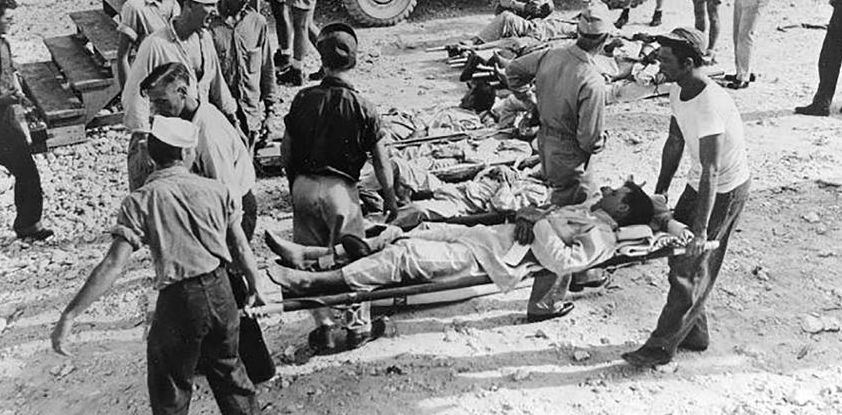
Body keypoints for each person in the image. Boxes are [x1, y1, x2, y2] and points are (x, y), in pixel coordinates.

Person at [50, 116, 262, 415]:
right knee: (230, 372)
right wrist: (254, 287)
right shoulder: (218, 191)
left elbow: (113, 264)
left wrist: (70, 315)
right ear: (188, 154)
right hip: (221, 290)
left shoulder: (140, 201)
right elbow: (240, 246)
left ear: (151, 155)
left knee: (170, 382)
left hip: (180, 298)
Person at [267, 182, 673, 310]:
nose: (607, 190)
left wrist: (541, 220)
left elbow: (564, 263)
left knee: (405, 256)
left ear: (622, 208)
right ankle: (316, 256)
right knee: (412, 228)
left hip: (495, 257)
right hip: (490, 237)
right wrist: (534, 214)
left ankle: (315, 283)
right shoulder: (590, 212)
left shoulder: (602, 237)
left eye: (615, 192)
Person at [622, 27, 750, 368]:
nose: (658, 63)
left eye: (665, 59)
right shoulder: (678, 90)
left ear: (688, 62)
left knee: (691, 262)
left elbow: (711, 169)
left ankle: (660, 347)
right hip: (701, 182)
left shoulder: (710, 104)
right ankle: (695, 331)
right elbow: (675, 142)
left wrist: (703, 230)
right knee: (678, 252)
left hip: (725, 188)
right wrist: (661, 192)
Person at [282, 23, 397, 330]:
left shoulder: (302, 99)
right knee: (353, 259)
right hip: (341, 192)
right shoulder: (364, 106)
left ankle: (324, 326)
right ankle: (356, 326)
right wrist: (391, 201)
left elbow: (286, 150)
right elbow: (382, 162)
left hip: (303, 186)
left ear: (321, 60)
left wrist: (296, 185)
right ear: (355, 60)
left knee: (311, 262)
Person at [121, 0, 237, 191]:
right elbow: (134, 95)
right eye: (209, 6)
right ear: (190, 6)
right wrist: (143, 142)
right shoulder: (156, 44)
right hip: (165, 139)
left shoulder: (204, 39)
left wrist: (231, 115)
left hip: (197, 130)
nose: (215, 12)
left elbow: (216, 82)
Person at [141, 62, 259, 240]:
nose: (154, 111)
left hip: (234, 216)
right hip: (208, 208)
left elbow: (227, 193)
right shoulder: (180, 121)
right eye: (152, 103)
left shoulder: (209, 132)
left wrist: (234, 245)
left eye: (161, 101)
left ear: (182, 92)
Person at [505, 8, 608, 207]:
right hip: (570, 153)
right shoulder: (593, 80)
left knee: (559, 193)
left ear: (578, 32)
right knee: (572, 210)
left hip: (545, 142)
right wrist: (603, 140)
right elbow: (589, 140)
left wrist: (531, 102)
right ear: (604, 39)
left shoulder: (551, 54)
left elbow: (513, 70)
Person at [0, 0, 51, 242]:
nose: (12, 23)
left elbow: (10, 72)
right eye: (8, 18)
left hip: (6, 122)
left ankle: (28, 224)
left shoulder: (4, 43)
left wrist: (18, 93)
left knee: (27, 172)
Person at [210, 0, 279, 149]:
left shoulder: (257, 23)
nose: (245, 1)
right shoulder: (208, 27)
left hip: (249, 117)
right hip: (219, 118)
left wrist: (270, 113)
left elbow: (267, 70)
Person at [115, 0, 187, 87]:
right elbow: (123, 57)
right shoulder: (135, 7)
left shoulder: (176, 4)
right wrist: (129, 95)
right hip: (149, 84)